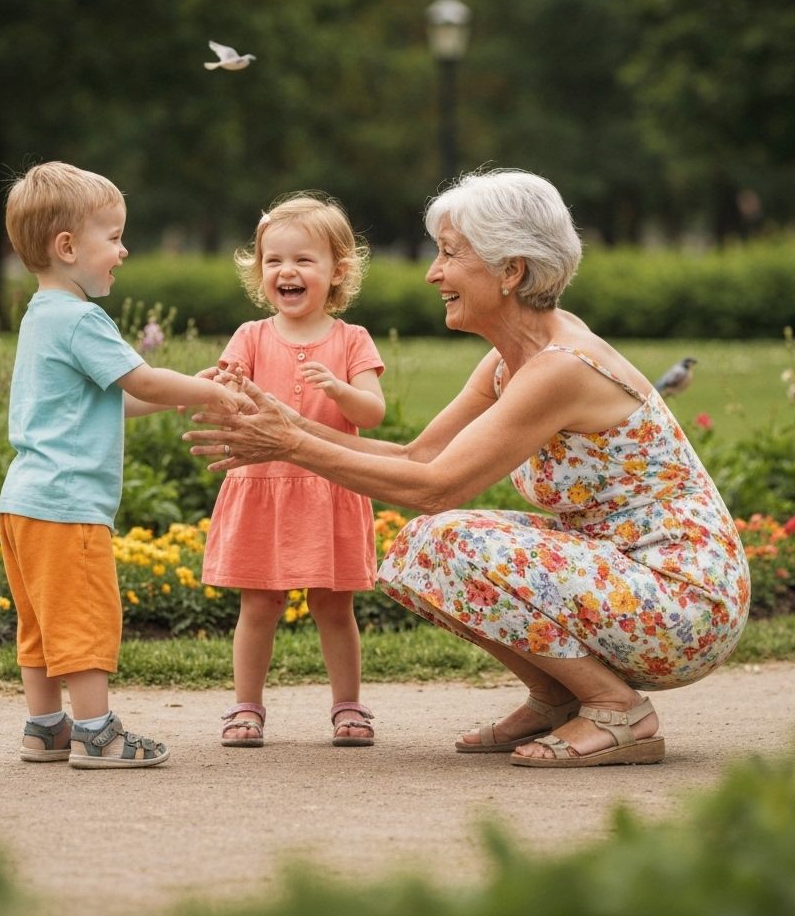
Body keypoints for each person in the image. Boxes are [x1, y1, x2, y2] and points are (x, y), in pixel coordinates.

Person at [185, 168, 750, 768]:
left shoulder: (561, 366)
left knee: (445, 537)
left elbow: (437, 488)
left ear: (512, 271)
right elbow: (417, 457)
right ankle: (558, 697)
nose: (433, 273)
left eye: (449, 254)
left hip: (683, 603)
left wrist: (291, 446)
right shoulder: (510, 360)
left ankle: (618, 711)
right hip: (620, 575)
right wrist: (287, 426)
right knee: (421, 550)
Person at [0, 161, 244, 769]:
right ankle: (97, 733)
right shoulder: (82, 318)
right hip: (67, 506)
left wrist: (190, 387)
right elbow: (142, 377)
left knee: (41, 623)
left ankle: (46, 727)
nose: (124, 250)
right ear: (67, 247)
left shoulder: (40, 315)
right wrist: (211, 392)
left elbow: (114, 397)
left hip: (23, 503)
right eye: (113, 237)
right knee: (82, 619)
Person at [201, 193, 386, 747]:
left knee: (333, 604)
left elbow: (372, 413)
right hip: (262, 488)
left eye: (304, 260)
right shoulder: (251, 337)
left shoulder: (351, 340)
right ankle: (246, 708)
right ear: (260, 272)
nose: (287, 271)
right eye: (274, 260)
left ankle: (348, 707)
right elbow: (226, 395)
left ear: (337, 272)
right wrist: (218, 389)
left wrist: (342, 389)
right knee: (259, 602)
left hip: (329, 485)